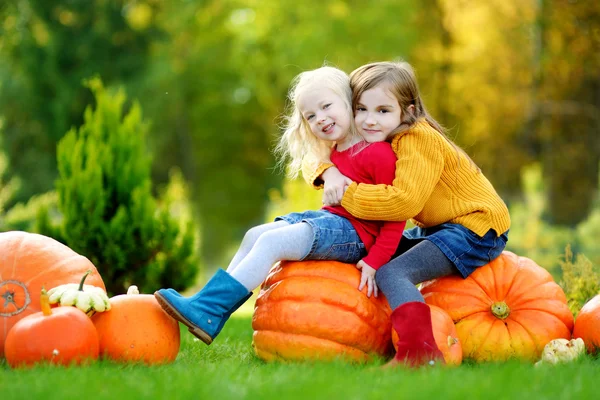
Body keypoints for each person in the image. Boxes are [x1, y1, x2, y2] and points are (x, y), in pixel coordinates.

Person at [154, 66, 406, 345]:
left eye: (326, 107)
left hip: (357, 236)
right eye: (311, 115)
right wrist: (329, 171)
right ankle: (209, 310)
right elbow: (315, 164)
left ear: (349, 101)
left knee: (271, 243)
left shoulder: (378, 153)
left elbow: (396, 216)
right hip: (333, 223)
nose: (320, 118)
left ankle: (208, 310)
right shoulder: (335, 149)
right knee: (254, 235)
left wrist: (375, 261)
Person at [303, 61, 511, 368]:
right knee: (373, 248)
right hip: (443, 227)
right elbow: (314, 155)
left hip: (475, 227)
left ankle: (420, 354)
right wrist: (328, 172)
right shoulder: (384, 137)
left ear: (408, 111)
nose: (369, 121)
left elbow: (403, 203)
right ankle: (379, 330)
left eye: (383, 111)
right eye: (361, 109)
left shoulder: (418, 139)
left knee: (391, 271)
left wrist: (347, 194)